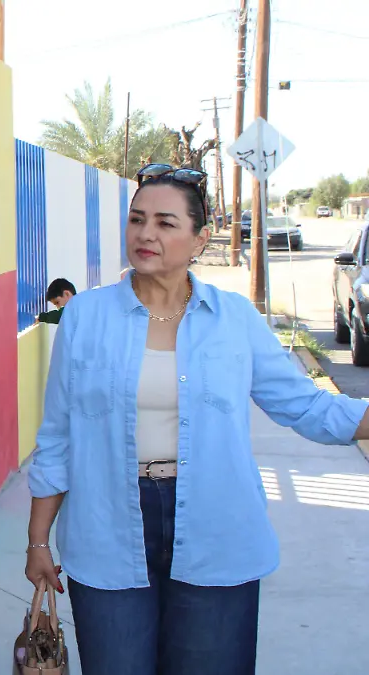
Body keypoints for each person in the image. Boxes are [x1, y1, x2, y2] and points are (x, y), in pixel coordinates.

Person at [24, 163, 369, 675]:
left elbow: (306, 405)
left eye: (165, 223)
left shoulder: (234, 319)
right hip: (107, 525)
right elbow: (58, 437)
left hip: (216, 523)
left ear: (200, 238)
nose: (145, 234)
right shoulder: (85, 316)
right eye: (137, 219)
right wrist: (37, 541)